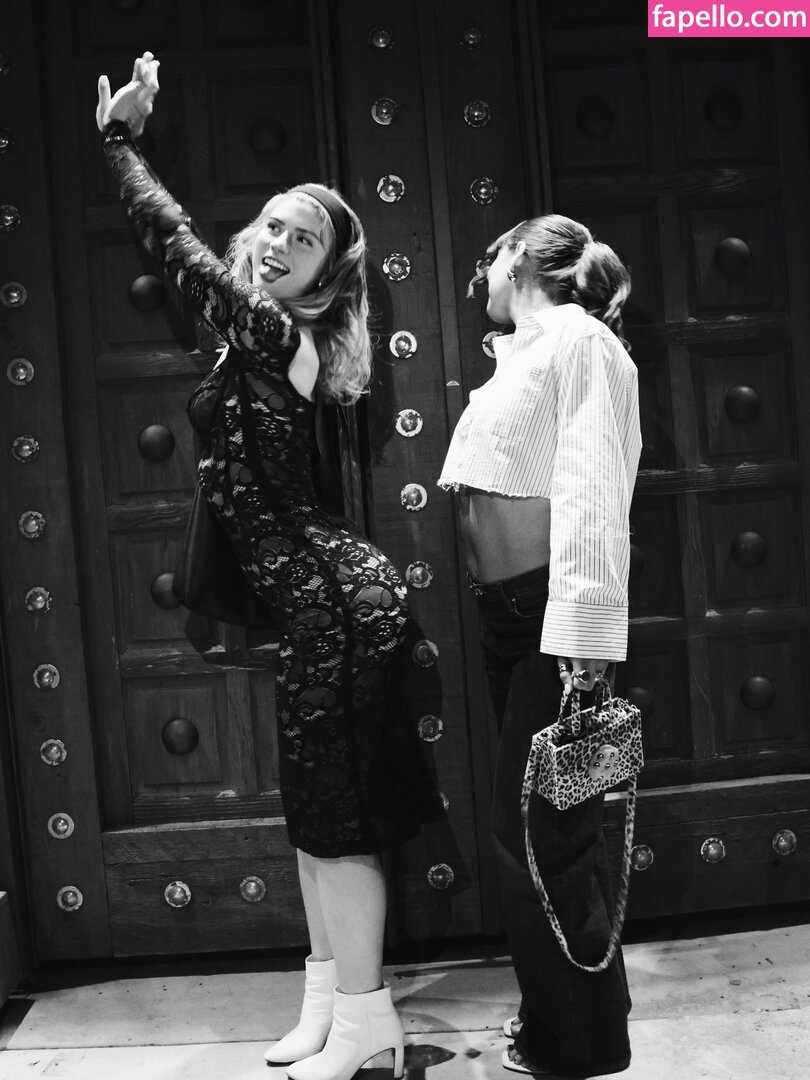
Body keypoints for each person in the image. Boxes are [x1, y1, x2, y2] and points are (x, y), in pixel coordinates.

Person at [96, 53, 438, 1080]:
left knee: (340, 826)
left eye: (306, 237)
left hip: (340, 603)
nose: (280, 242)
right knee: (313, 820)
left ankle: (370, 1023)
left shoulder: (274, 328)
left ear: (326, 274)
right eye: (275, 226)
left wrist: (120, 141)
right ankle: (327, 1003)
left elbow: (176, 245)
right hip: (318, 607)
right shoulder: (251, 338)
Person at [438, 214, 642, 1077]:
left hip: (553, 624)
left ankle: (576, 1046)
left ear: (520, 256)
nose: (479, 274)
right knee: (548, 831)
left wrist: (584, 640)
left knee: (536, 837)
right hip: (510, 620)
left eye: (489, 257)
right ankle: (572, 1024)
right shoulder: (524, 351)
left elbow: (594, 484)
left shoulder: (580, 341)